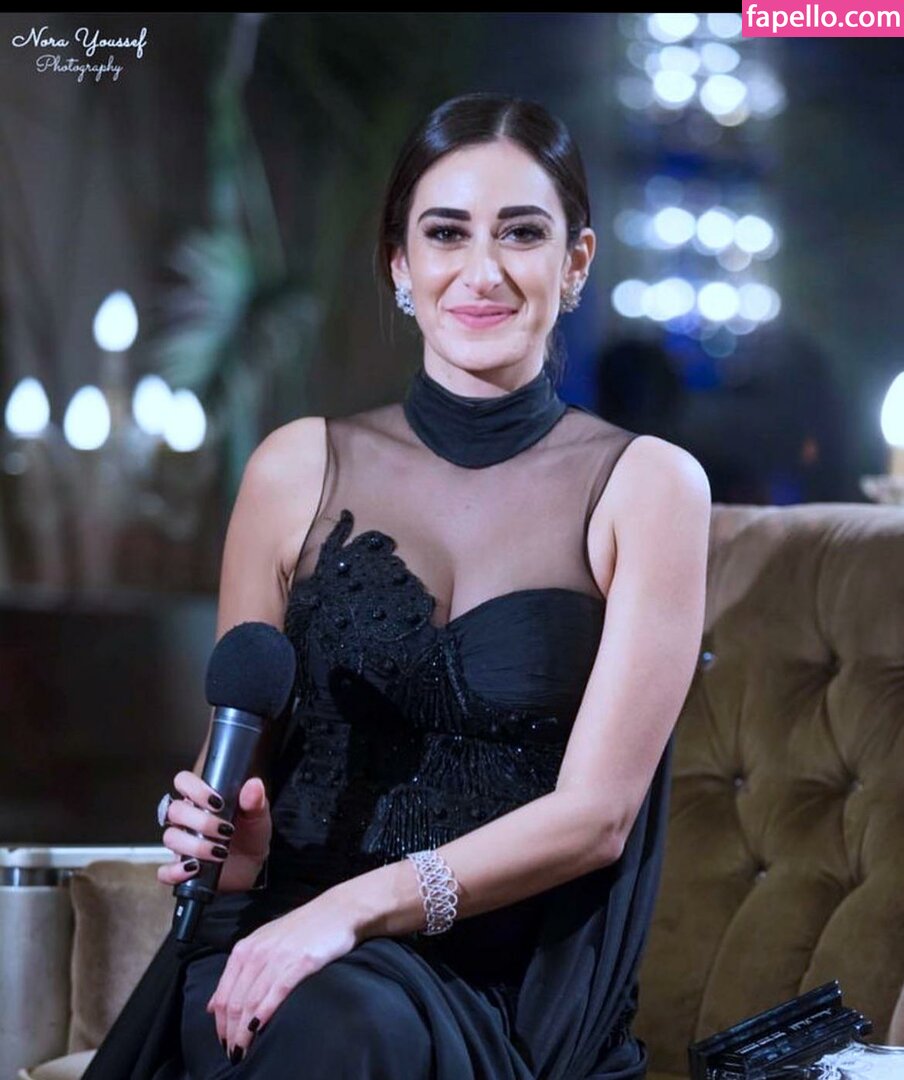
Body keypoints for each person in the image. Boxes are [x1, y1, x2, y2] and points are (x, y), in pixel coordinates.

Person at [83, 91, 711, 1080]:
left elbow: (597, 819)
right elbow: (236, 762)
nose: (481, 270)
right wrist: (226, 843)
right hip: (276, 953)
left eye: (521, 233)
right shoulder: (295, 468)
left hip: (505, 996)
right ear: (399, 265)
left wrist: (351, 912)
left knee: (350, 1029)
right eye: (445, 233)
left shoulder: (649, 487)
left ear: (576, 262)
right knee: (322, 1022)